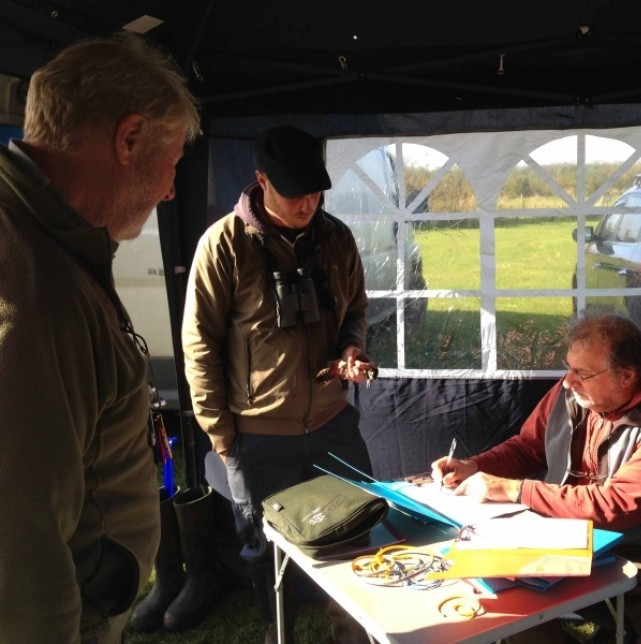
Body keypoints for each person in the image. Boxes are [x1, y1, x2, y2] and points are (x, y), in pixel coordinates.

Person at [0, 33, 201, 644]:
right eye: (170, 165)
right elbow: (17, 543)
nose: (171, 189)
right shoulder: (28, 285)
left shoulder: (46, 241)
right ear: (129, 138)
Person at [181, 125, 376, 643]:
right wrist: (222, 437)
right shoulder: (223, 245)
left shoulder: (336, 239)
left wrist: (351, 349)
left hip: (333, 422)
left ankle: (353, 633)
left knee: (353, 532)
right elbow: (199, 347)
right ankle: (280, 634)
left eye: (316, 191)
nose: (308, 203)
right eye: (295, 192)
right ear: (261, 180)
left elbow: (355, 309)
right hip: (257, 434)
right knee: (265, 550)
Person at [431, 313, 641, 644]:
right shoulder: (571, 391)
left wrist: (515, 490)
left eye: (582, 373)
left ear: (626, 376)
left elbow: (618, 506)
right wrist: (473, 465)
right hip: (565, 533)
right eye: (570, 368)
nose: (568, 381)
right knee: (505, 603)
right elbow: (528, 448)